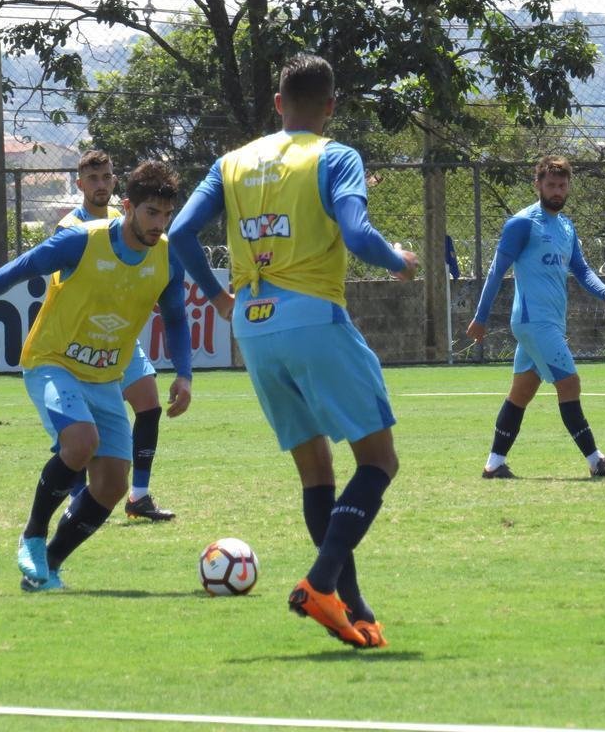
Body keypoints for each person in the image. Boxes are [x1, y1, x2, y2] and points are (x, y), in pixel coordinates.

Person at [169, 53, 418, 649]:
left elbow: (179, 233)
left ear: (278, 102)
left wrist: (218, 297)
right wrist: (398, 260)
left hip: (252, 327)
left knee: (316, 472)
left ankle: (351, 607)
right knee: (379, 461)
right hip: (312, 317)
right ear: (330, 106)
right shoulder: (335, 156)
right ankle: (321, 582)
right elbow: (356, 233)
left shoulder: (230, 163)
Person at [0, 160, 193, 591]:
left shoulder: (167, 256)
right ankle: (32, 534)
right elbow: (18, 269)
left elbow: (176, 317)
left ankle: (48, 565)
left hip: (104, 375)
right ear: (128, 207)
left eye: (166, 215)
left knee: (112, 485)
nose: (158, 224)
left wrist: (184, 373)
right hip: (53, 361)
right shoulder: (81, 241)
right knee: (81, 442)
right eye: (150, 213)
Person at [465, 154, 605, 480]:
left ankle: (494, 464)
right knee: (569, 383)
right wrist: (480, 317)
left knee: (521, 393)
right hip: (533, 322)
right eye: (551, 184)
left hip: (549, 323)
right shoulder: (522, 223)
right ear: (537, 184)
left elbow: (581, 270)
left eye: (562, 185)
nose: (557, 191)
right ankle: (596, 461)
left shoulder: (566, 226)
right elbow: (496, 271)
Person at [59, 149, 176, 521]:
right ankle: (77, 498)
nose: (101, 184)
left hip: (121, 338)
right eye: (93, 178)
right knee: (83, 428)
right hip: (83, 339)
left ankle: (138, 496)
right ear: (80, 184)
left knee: (150, 406)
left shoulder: (125, 220)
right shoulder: (70, 227)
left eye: (107, 177)